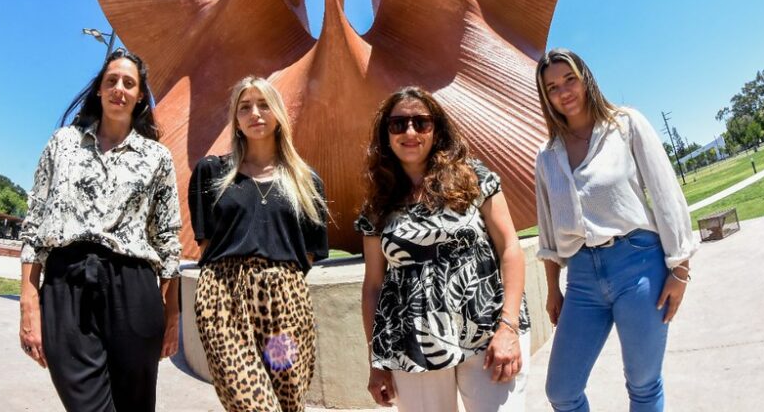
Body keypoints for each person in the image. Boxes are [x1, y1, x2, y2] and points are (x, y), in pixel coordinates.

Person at [534, 48, 698, 412]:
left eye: (569, 79)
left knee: (642, 383)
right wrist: (551, 289)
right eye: (552, 87)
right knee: (561, 390)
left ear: (586, 77)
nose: (564, 91)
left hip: (638, 266)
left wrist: (680, 270)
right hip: (580, 279)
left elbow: (666, 194)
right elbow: (548, 230)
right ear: (546, 97)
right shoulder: (546, 156)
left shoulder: (625, 125)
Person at [18, 48, 182, 412]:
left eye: (129, 83)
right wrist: (29, 304)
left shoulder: (157, 158)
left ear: (140, 95)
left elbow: (169, 241)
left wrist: (173, 316)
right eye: (111, 81)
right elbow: (34, 227)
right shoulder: (62, 144)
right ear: (98, 89)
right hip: (66, 285)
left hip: (134, 289)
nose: (119, 89)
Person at [357, 87, 530, 412]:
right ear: (386, 133)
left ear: (436, 129)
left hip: (488, 332)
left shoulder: (473, 177)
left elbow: (509, 246)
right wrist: (377, 360)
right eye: (398, 124)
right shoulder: (377, 205)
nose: (410, 132)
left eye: (421, 123)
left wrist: (508, 327)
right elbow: (373, 287)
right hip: (414, 343)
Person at [189, 75, 329, 412]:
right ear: (235, 120)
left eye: (264, 104)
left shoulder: (306, 181)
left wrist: (276, 280)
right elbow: (206, 242)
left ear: (278, 113)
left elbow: (310, 251)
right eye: (245, 107)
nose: (256, 113)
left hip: (286, 305)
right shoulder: (212, 172)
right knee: (251, 404)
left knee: (289, 399)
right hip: (224, 298)